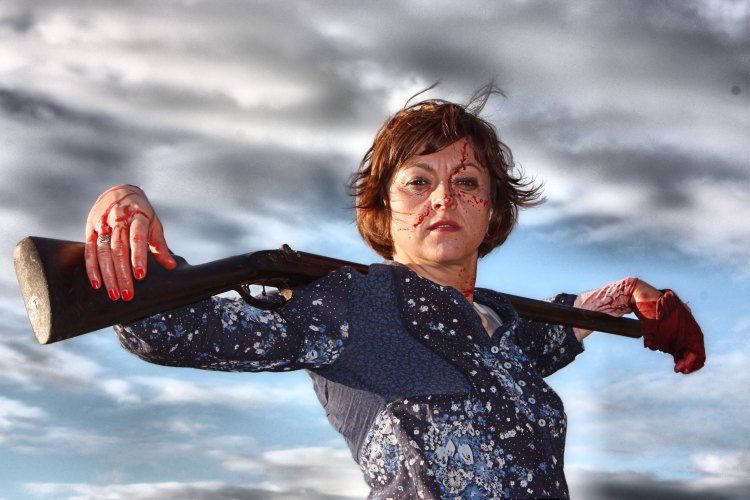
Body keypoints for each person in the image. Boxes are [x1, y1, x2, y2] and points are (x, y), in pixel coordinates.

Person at [83, 85, 705, 498]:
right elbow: (170, 329)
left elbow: (559, 326)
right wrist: (123, 215)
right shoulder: (351, 306)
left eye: (467, 181)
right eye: (417, 181)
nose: (443, 198)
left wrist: (632, 293)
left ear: (493, 209)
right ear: (384, 208)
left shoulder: (507, 328)